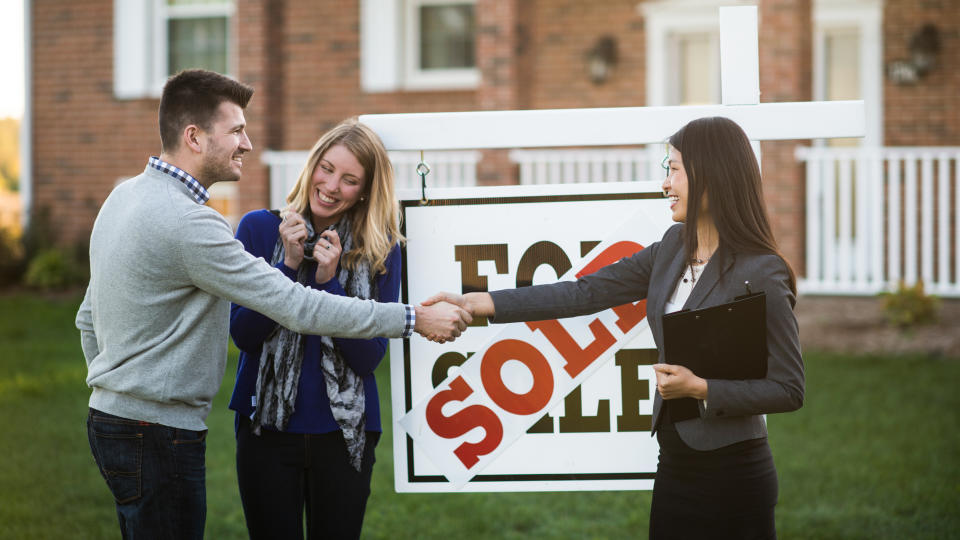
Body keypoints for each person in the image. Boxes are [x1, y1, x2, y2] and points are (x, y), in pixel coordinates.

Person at [75, 69, 469, 540]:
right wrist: (414, 318)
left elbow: (87, 316)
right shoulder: (198, 224)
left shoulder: (124, 196)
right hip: (165, 430)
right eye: (237, 131)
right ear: (195, 137)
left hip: (120, 422)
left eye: (348, 178)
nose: (248, 143)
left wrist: (113, 390)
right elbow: (284, 312)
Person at [425, 117, 804, 539]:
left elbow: (788, 389)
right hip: (676, 465)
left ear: (711, 175)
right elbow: (583, 293)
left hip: (736, 475)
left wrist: (701, 389)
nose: (665, 183)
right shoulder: (671, 249)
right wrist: (481, 302)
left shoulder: (762, 272)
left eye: (674, 169)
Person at [228, 119, 402, 539]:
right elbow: (244, 336)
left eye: (348, 179)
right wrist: (286, 268)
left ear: (363, 190)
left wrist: (329, 283)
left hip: (344, 434)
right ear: (311, 166)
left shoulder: (379, 249)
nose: (330, 185)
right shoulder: (258, 228)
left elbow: (367, 359)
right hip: (265, 428)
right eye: (326, 168)